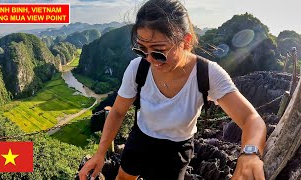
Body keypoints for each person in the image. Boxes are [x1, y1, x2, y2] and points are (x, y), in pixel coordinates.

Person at [79, 0, 267, 179]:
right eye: (142, 49)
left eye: (159, 51)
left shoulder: (207, 74)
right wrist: (100, 154)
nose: (150, 59)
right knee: (124, 177)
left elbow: (251, 119)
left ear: (186, 41)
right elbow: (118, 111)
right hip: (141, 137)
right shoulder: (138, 68)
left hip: (177, 149)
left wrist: (250, 154)